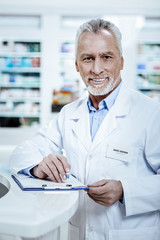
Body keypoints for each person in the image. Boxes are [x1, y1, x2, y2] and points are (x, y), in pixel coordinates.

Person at [10, 19, 160, 240]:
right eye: (88, 58)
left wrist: (124, 190)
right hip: (80, 232)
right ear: (77, 65)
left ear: (121, 62)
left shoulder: (151, 113)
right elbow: (23, 152)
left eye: (106, 57)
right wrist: (38, 167)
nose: (97, 69)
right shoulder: (69, 113)